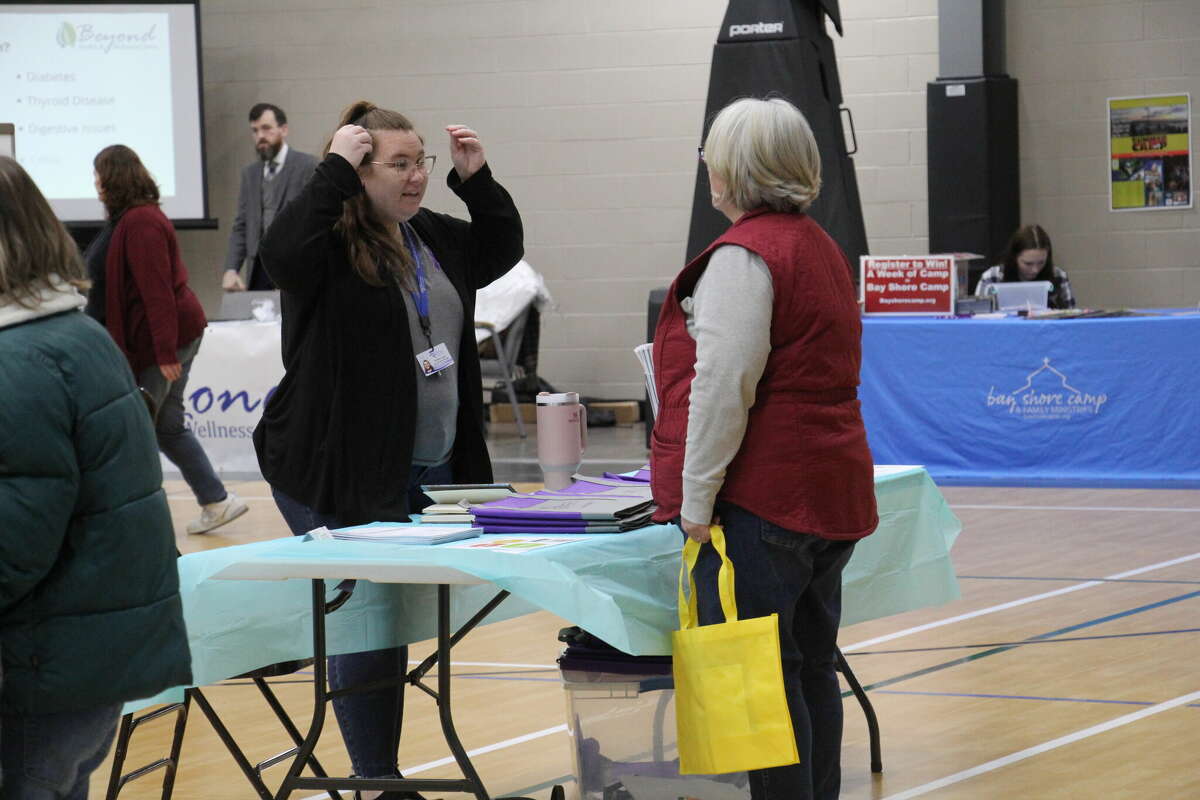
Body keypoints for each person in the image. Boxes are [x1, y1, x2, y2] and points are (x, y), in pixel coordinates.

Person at [254, 100, 522, 791]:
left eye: (420, 160)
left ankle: (380, 773)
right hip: (330, 464)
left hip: (425, 470)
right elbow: (279, 256)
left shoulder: (429, 235)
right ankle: (378, 779)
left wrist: (477, 179)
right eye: (398, 164)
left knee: (388, 621)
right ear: (359, 171)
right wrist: (332, 172)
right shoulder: (329, 244)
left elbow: (501, 247)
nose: (416, 176)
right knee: (369, 618)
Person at [649, 98, 878, 800]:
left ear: (733, 170)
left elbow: (723, 388)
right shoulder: (820, 244)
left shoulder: (745, 256)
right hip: (830, 485)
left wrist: (694, 499)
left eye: (711, 157)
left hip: (770, 494)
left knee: (768, 677)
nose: (706, 170)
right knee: (811, 666)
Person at [0, 155, 192, 798]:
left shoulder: (19, 361)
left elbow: (14, 540)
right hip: (81, 666)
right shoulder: (75, 335)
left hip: (42, 667)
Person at [87, 144, 248, 534]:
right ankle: (217, 500)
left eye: (99, 176)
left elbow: (155, 291)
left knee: (136, 428)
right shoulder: (131, 219)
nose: (95, 185)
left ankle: (136, 523)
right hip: (166, 339)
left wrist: (164, 352)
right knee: (167, 426)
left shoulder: (141, 222)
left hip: (165, 343)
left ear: (112, 178)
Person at [222, 103, 319, 291]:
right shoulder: (250, 174)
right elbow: (241, 225)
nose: (260, 136)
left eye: (266, 128)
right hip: (259, 270)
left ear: (284, 129)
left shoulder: (308, 166)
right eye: (255, 130)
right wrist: (231, 269)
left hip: (295, 269)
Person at [975, 224, 1075, 309]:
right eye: (1028, 264)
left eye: (1041, 262)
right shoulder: (991, 278)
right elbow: (977, 318)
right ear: (1014, 257)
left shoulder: (1059, 276)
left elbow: (1071, 318)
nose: (1035, 270)